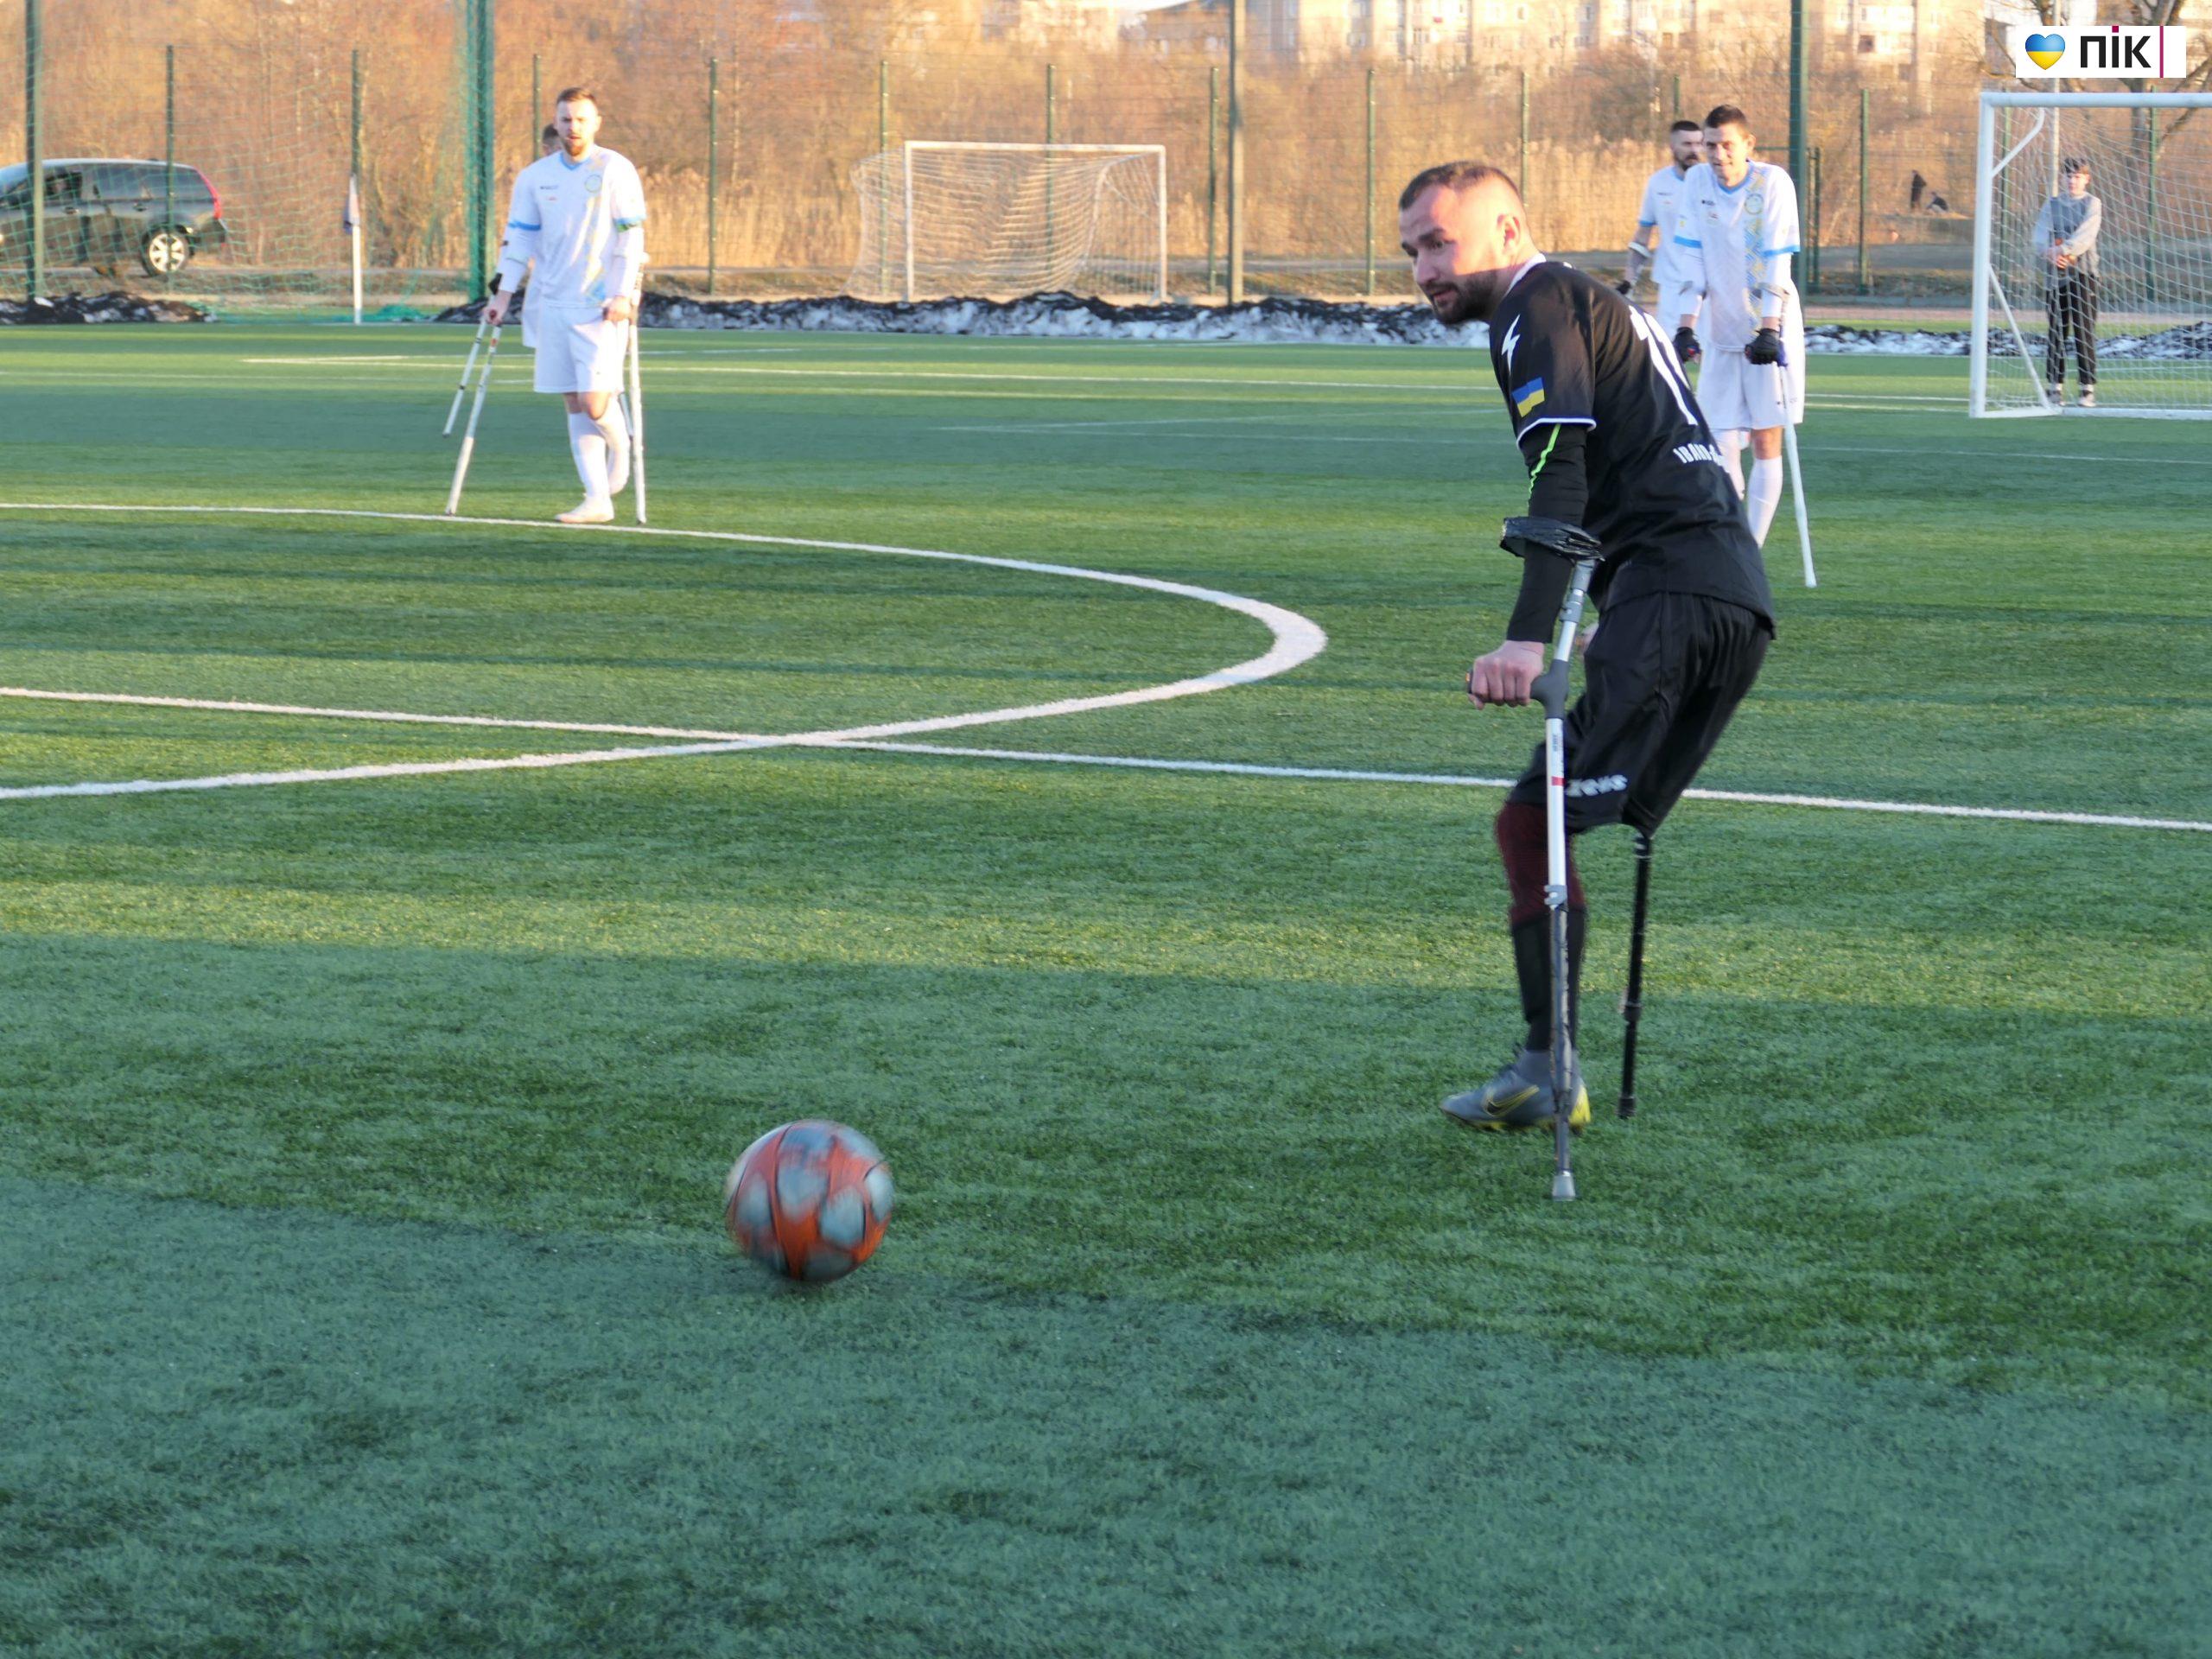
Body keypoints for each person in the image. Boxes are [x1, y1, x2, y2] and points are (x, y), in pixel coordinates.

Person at [1397, 161, 1774, 1131]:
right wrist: (1628, 601)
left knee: (1532, 823)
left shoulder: (1537, 306)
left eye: (1440, 242)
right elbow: (1655, 460)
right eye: (1411, 252)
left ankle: (1545, 1068)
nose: (1424, 268)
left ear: (1508, 229)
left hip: (1679, 597)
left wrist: (1527, 641)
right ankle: (1548, 1059)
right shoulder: (1587, 301)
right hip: (1722, 598)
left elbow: (1561, 478)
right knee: (1557, 818)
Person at [484, 87, 647, 524]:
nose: (573, 127)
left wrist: (623, 293)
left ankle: (623, 445)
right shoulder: (535, 177)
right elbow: (519, 238)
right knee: (574, 401)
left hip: (599, 306)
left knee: (597, 403)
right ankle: (597, 499)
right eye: (566, 119)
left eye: (581, 119)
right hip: (552, 302)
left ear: (596, 122)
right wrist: (503, 295)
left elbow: (632, 236)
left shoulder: (615, 168)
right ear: (555, 123)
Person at [1674, 105, 1804, 548]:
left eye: (1727, 144)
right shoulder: (1695, 182)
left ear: (1748, 144)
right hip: (1720, 329)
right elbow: (1692, 256)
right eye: (1711, 145)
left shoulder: (1773, 183)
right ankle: (1729, 542)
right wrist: (1685, 326)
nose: (1718, 154)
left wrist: (1770, 329)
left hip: (1767, 327)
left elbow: (1777, 259)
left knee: (1767, 439)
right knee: (1718, 438)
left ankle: (1752, 551)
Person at [1618, 120, 1706, 329]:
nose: (1694, 150)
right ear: (1672, 146)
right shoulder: (1658, 183)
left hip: (1708, 285)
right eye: (1687, 144)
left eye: (1698, 144)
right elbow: (1642, 237)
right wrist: (1628, 281)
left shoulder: (1710, 180)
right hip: (1672, 285)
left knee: (1712, 353)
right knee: (1673, 352)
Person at [2032, 157, 2101, 409]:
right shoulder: (2051, 204)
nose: (2072, 180)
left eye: (2077, 176)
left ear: (2086, 179)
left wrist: (2067, 251)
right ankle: (2055, 387)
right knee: (2057, 331)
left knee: (2083, 331)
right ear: (2062, 179)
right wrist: (2048, 252)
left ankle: (2087, 389)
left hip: (2084, 276)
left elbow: (2087, 233)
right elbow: (2040, 234)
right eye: (2068, 176)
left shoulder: (2092, 203)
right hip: (2056, 276)